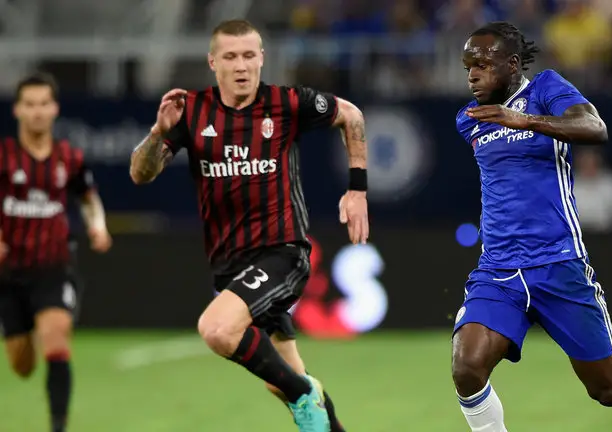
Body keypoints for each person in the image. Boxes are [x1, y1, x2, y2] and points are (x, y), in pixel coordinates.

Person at [451, 22, 612, 432]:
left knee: (608, 389)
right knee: (467, 368)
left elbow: (595, 128)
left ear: (513, 64)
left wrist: (524, 121)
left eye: (482, 65)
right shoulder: (469, 120)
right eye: (469, 66)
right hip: (499, 269)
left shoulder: (546, 89)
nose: (472, 74)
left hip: (559, 264)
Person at [129, 19, 368, 432]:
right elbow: (141, 173)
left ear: (262, 58)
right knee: (284, 380)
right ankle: (305, 396)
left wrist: (357, 190)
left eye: (248, 55)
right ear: (212, 62)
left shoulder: (286, 102)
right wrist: (157, 133)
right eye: (230, 57)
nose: (241, 66)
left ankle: (302, 393)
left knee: (217, 329)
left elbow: (351, 114)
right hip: (230, 265)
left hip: (282, 253)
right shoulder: (191, 111)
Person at [0, 73, 113, 432]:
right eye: (29, 104)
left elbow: (88, 198)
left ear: (55, 109)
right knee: (22, 366)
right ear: (18, 110)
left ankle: (58, 426)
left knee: (56, 337)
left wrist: (98, 226)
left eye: (43, 104)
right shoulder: (3, 157)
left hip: (54, 267)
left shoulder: (69, 157)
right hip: (8, 273)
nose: (37, 111)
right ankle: (28, 327)